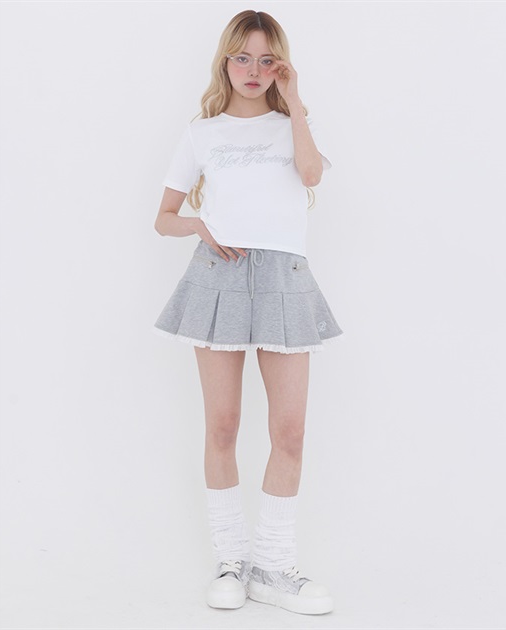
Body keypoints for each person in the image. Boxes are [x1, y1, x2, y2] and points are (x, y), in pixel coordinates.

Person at [153, 9, 343, 616]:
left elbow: (311, 175)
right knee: (223, 425)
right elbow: (163, 218)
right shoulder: (202, 133)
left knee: (289, 431)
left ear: (279, 66)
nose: (253, 70)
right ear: (225, 62)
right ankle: (230, 560)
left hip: (285, 278)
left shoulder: (293, 126)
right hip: (219, 276)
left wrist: (296, 99)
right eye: (242, 58)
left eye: (266, 60)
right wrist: (198, 227)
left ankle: (273, 565)